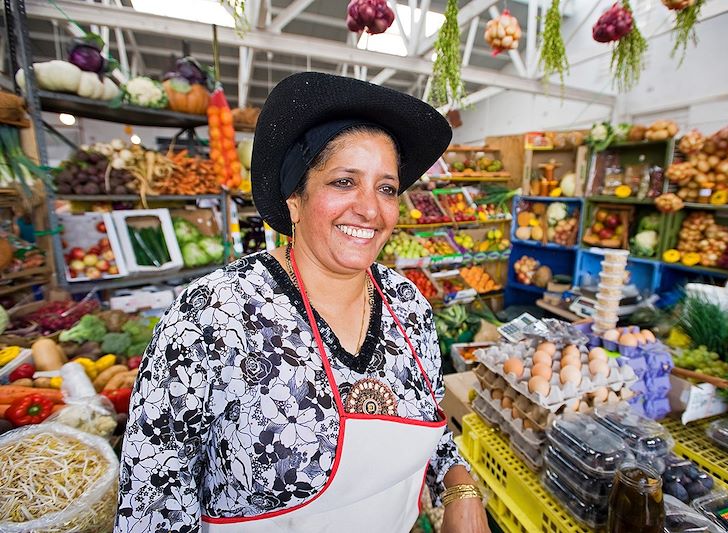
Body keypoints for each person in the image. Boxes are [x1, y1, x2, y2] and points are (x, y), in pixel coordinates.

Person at [114, 72, 490, 533]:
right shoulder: (214, 317)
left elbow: (433, 419)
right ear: (295, 197)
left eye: (386, 188)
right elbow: (152, 502)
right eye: (344, 181)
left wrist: (459, 486)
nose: (370, 209)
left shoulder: (407, 304)